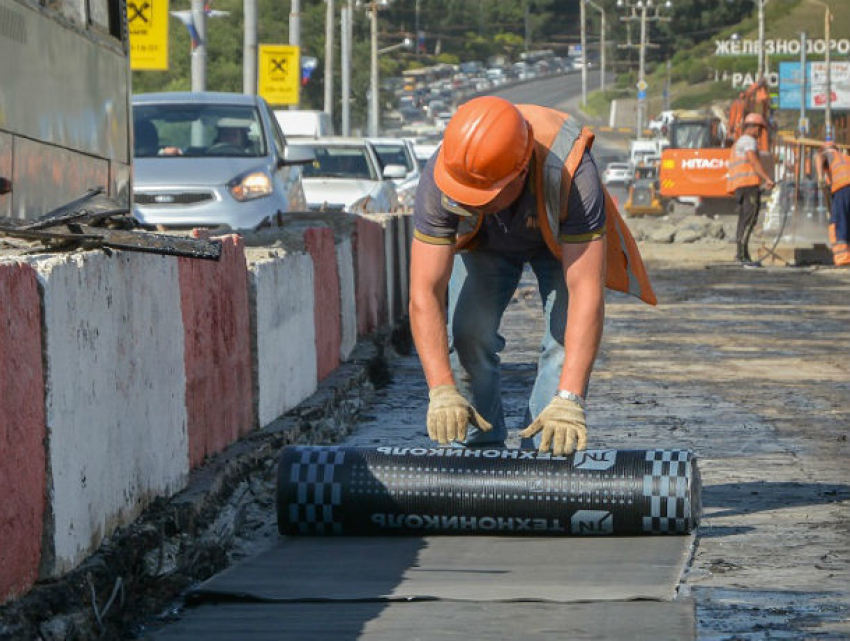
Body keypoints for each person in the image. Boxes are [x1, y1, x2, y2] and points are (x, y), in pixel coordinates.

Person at [410, 96, 656, 457]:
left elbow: (586, 294)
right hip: (486, 242)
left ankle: (545, 453)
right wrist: (441, 389)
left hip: (558, 242)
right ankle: (476, 448)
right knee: (467, 333)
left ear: (521, 172)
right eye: (466, 197)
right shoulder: (444, 174)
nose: (471, 202)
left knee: (562, 340)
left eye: (483, 195)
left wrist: (570, 399)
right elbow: (424, 292)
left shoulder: (572, 173)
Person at [726, 112, 775, 266]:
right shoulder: (748, 141)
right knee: (750, 220)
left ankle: (740, 254)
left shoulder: (739, 142)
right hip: (748, 186)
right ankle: (743, 256)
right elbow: (753, 161)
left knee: (743, 220)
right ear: (753, 127)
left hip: (741, 187)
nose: (761, 133)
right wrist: (767, 178)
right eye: (760, 129)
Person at [816, 141, 850, 267]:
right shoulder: (845, 157)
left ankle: (843, 258)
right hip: (844, 188)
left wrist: (820, 178)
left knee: (838, 222)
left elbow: (819, 157)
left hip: (843, 188)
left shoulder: (828, 154)